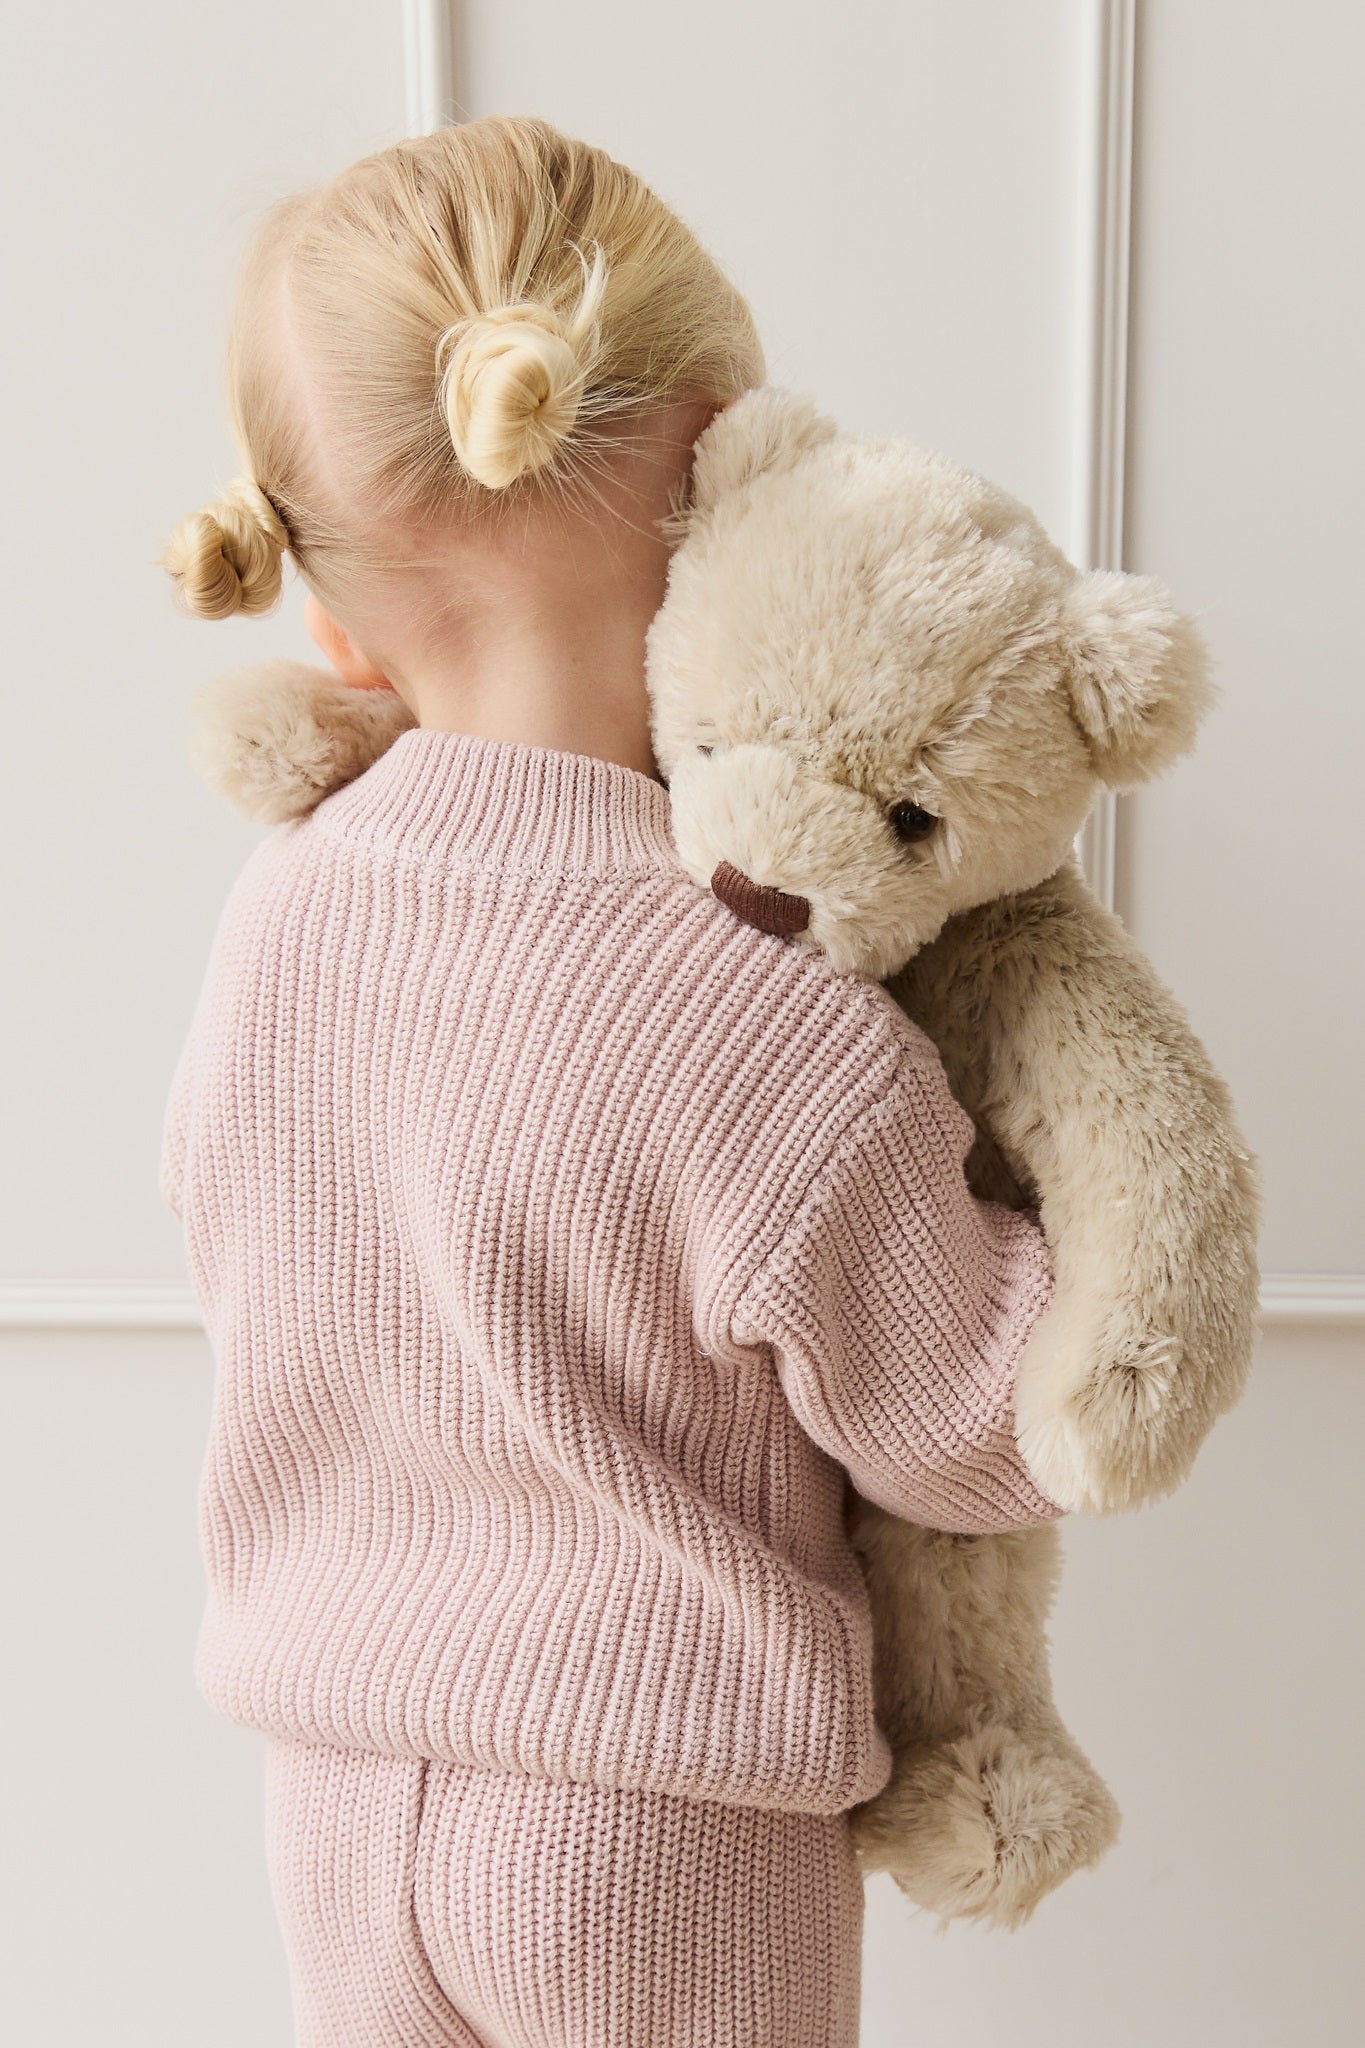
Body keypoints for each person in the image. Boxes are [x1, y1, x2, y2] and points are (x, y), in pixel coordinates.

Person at [158, 113, 1062, 2048]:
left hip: (332, 1800)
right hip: (656, 1832)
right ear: (743, 484)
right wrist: (1062, 1177)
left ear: (324, 607)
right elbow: (973, 1431)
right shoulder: (770, 1023)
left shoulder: (275, 918)